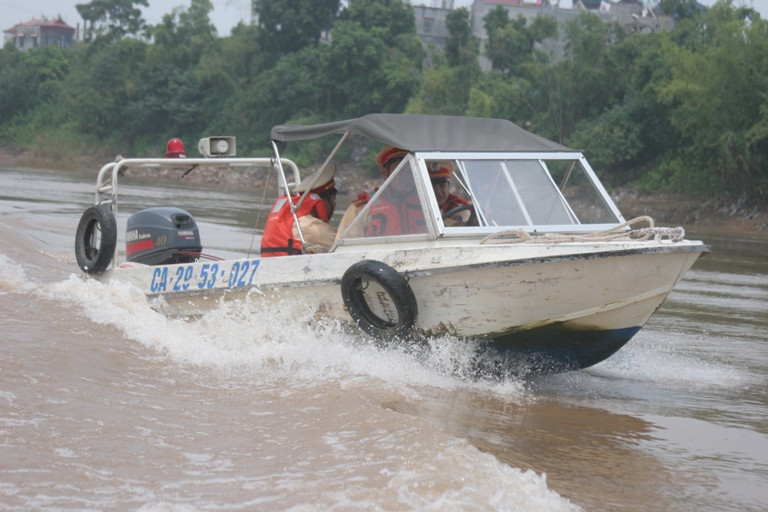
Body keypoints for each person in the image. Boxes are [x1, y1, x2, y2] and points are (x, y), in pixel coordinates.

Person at [260, 165, 338, 257]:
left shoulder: (295, 219)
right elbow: (343, 248)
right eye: (334, 199)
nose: (334, 204)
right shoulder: (311, 226)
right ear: (323, 201)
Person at [335, 145, 408, 240]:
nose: (406, 177)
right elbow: (345, 248)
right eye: (399, 171)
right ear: (385, 173)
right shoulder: (361, 209)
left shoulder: (424, 205)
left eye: (409, 171)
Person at [428, 161, 476, 226]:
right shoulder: (419, 205)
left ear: (448, 186)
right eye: (433, 187)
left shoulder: (458, 206)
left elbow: (460, 227)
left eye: (442, 186)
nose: (438, 191)